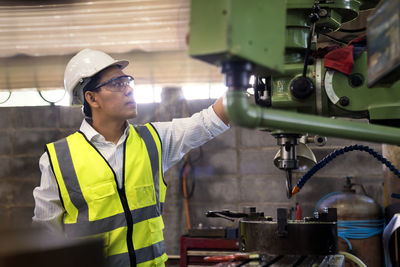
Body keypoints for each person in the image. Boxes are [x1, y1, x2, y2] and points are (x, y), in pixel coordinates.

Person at [32, 48, 230, 267]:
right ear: (91, 98)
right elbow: (45, 237)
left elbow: (206, 122)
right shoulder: (57, 159)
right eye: (117, 84)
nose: (128, 90)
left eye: (128, 82)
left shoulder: (154, 140)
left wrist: (240, 88)